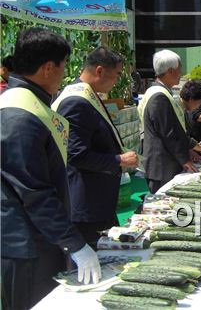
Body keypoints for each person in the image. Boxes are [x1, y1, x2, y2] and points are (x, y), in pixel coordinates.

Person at [1, 28, 101, 309]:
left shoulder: (29, 103)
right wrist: (75, 244)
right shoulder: (18, 115)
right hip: (26, 247)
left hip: (41, 239)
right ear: (48, 68)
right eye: (64, 66)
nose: (65, 73)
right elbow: (35, 192)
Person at [52, 47, 138, 246]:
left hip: (96, 201)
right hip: (86, 204)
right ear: (99, 71)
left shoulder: (87, 95)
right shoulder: (77, 102)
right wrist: (118, 160)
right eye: (116, 74)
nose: (117, 80)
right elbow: (76, 155)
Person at [139, 50, 200, 193]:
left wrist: (188, 150)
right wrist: (184, 159)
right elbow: (168, 133)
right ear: (170, 71)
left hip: (164, 161)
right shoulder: (159, 96)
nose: (181, 73)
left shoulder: (157, 91)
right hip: (162, 164)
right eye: (180, 69)